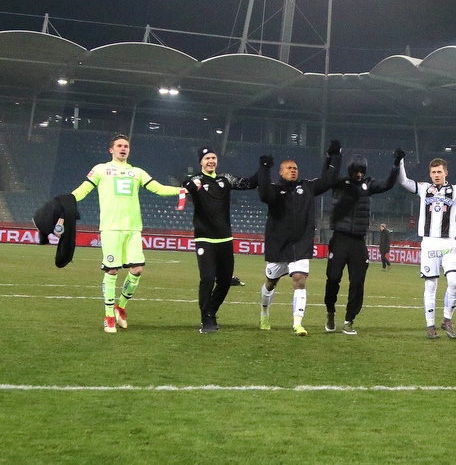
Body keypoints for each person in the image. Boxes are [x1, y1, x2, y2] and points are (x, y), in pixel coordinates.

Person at [71, 133, 183, 333]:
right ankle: (108, 317)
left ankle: (119, 307)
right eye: (119, 145)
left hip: (133, 228)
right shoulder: (100, 169)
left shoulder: (137, 172)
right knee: (112, 270)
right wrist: (67, 200)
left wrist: (183, 190)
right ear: (111, 150)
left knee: (137, 269)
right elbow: (83, 189)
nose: (123, 148)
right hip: (111, 227)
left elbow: (158, 189)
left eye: (126, 146)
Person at [397, 151, 456, 338]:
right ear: (430, 174)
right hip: (429, 243)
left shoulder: (455, 190)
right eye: (433, 172)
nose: (436, 175)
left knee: (454, 282)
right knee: (431, 285)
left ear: (446, 173)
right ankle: (430, 326)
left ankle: (447, 320)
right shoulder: (424, 188)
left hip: (449, 243)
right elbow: (404, 181)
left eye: (439, 172)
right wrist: (400, 162)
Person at [257, 149, 338, 336]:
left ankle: (297, 323)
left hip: (300, 244)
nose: (293, 170)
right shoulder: (275, 190)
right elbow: (264, 195)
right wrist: (264, 169)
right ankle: (264, 313)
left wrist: (335, 157)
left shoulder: (307, 187)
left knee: (299, 280)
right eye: (289, 168)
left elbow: (329, 179)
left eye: (295, 168)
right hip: (279, 245)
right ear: (281, 172)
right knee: (270, 283)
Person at [323, 146, 398, 336]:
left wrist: (396, 165)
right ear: (350, 170)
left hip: (358, 241)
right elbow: (326, 176)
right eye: (356, 171)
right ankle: (330, 311)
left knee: (357, 282)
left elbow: (388, 184)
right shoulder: (339, 183)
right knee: (333, 278)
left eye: (362, 171)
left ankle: (349, 320)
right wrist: (332, 156)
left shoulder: (369, 185)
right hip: (339, 238)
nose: (359, 174)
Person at [182, 146, 257, 334]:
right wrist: (189, 186)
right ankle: (205, 319)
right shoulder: (196, 181)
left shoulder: (226, 179)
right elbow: (186, 184)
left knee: (224, 281)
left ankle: (211, 311)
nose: (211, 161)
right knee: (207, 278)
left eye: (213, 158)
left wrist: (263, 168)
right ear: (201, 162)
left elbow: (249, 183)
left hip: (225, 240)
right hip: (205, 239)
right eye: (207, 158)